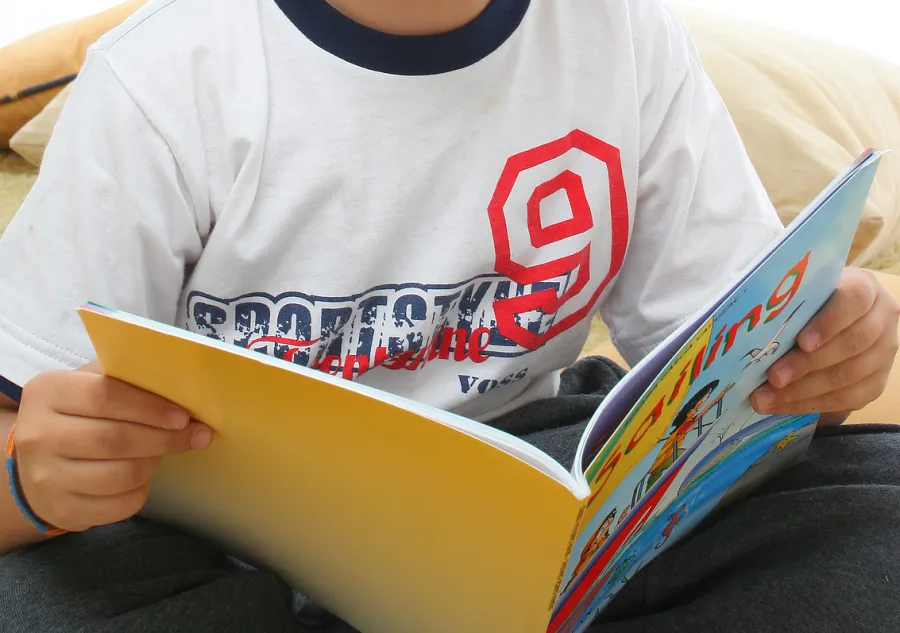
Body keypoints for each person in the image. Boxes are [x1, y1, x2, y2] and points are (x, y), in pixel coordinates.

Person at [0, 0, 898, 631]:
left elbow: (737, 380)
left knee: (874, 521)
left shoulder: (620, 30)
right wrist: (32, 484)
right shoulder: (165, 76)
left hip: (524, 483)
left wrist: (827, 361)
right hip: (232, 544)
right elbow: (20, 441)